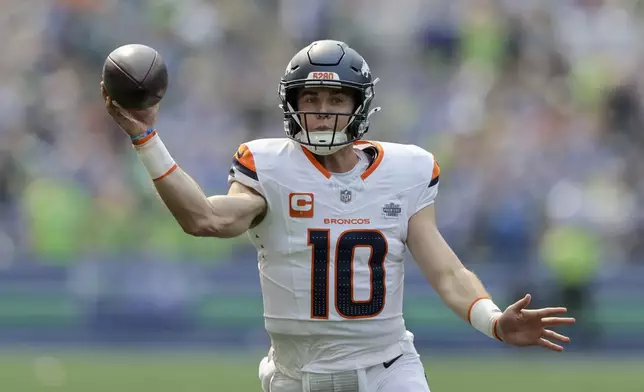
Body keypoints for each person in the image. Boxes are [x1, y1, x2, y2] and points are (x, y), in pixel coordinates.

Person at [101, 40, 576, 392]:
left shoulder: (405, 170)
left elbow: (447, 271)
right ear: (293, 106)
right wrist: (147, 139)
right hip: (294, 378)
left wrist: (493, 320)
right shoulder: (269, 167)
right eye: (311, 100)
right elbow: (203, 218)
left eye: (335, 100)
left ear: (358, 106)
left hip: (387, 372)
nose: (323, 112)